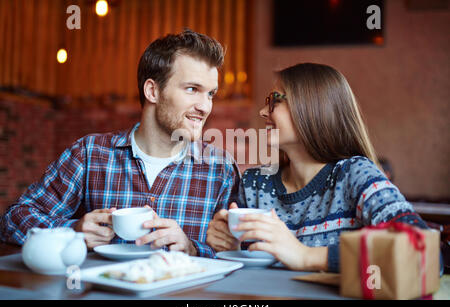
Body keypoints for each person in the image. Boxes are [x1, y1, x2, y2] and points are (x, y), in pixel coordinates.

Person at [0, 30, 240, 258]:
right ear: (152, 91)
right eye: (192, 89)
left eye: (210, 94)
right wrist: (72, 232)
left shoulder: (221, 169)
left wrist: (192, 249)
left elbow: (240, 252)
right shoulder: (89, 153)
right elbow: (13, 220)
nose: (205, 106)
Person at [206, 62, 430, 272]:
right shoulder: (255, 183)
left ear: (312, 107)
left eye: (275, 100)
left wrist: (306, 256)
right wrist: (229, 245)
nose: (263, 112)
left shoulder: (354, 175)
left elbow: (423, 250)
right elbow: (247, 268)